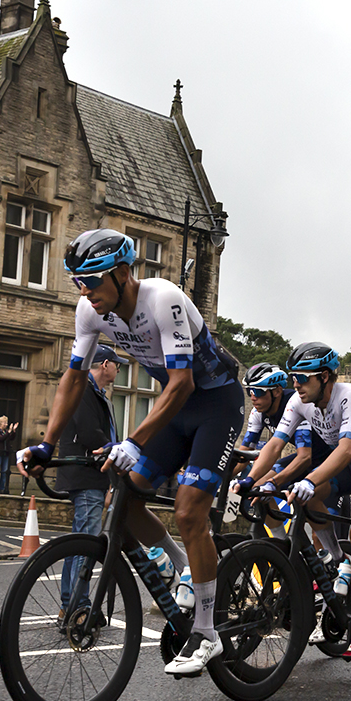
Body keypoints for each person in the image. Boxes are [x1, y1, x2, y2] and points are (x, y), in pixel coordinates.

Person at [18, 228, 243, 677]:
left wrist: (132, 442)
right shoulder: (90, 310)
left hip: (215, 404)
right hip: (175, 409)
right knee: (121, 495)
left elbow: (183, 382)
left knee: (189, 510)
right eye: (78, 282)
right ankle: (182, 565)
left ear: (122, 273)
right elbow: (73, 379)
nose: (86, 292)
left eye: (93, 281)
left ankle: (206, 632)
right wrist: (45, 443)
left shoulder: (164, 299)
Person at [239, 341, 351, 660]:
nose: (294, 384)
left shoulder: (349, 395)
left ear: (325, 376)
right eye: (292, 377)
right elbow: (273, 445)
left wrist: (309, 480)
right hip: (349, 465)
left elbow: (346, 450)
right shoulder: (299, 403)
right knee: (305, 499)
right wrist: (248, 480)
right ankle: (336, 557)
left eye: (301, 377)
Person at [56, 344, 126, 621]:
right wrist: (119, 450)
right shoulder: (83, 389)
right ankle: (80, 607)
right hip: (84, 472)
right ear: (105, 364)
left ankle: (69, 605)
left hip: (94, 475)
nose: (118, 368)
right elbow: (88, 432)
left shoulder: (98, 395)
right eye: (116, 364)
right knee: (85, 542)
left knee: (79, 542)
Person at [0, 416, 19, 494]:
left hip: (5, 454)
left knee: (4, 472)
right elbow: (1, 438)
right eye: (4, 423)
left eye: (6, 423)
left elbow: (11, 438)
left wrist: (14, 431)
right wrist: (9, 432)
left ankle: (2, 488)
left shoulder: (6, 432)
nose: (6, 424)